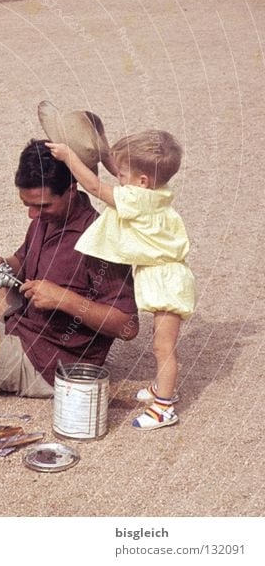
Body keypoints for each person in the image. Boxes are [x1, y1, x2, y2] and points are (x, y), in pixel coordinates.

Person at [0, 139, 139, 400]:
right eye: (27, 205)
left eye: (42, 205)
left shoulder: (100, 241)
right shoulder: (47, 219)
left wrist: (64, 299)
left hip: (50, 362)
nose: (33, 214)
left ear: (71, 190)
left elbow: (128, 326)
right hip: (27, 328)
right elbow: (23, 261)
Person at [47, 130, 195, 430]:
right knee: (161, 343)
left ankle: (164, 407)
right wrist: (105, 155)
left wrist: (68, 155)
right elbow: (125, 176)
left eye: (123, 174)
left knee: (163, 347)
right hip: (168, 274)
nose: (118, 178)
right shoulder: (156, 191)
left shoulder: (136, 199)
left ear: (141, 181)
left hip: (165, 279)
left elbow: (94, 186)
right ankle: (160, 388)